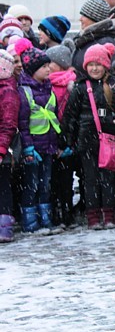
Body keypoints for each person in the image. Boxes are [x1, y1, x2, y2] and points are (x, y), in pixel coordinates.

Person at [62, 43, 115, 230]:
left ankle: (109, 213)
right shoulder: (81, 88)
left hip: (110, 139)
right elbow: (70, 116)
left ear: (106, 65)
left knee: (109, 177)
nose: (94, 68)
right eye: (91, 65)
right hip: (87, 140)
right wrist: (68, 141)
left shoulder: (114, 84)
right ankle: (93, 215)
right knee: (90, 178)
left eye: (98, 64)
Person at [15, 39, 59, 234]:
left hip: (48, 145)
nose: (48, 69)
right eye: (44, 67)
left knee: (45, 184)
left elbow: (55, 119)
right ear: (33, 69)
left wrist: (58, 143)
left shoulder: (48, 88)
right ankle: (31, 222)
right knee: (31, 184)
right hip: (34, 146)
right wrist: (28, 147)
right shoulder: (25, 92)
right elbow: (23, 123)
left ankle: (46, 220)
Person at [46, 43, 78, 228]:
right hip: (51, 136)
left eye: (51, 62)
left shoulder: (69, 84)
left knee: (65, 178)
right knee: (55, 178)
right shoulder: (47, 82)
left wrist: (65, 140)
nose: (48, 65)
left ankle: (66, 211)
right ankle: (59, 210)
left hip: (65, 137)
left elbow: (69, 115)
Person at [0, 49, 20, 242]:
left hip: (3, 149)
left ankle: (4, 227)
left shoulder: (7, 90)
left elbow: (8, 124)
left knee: (3, 187)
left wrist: (1, 148)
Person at [71, 0, 115, 73]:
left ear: (94, 18)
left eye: (84, 15)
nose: (80, 19)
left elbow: (111, 74)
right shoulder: (85, 39)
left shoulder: (105, 42)